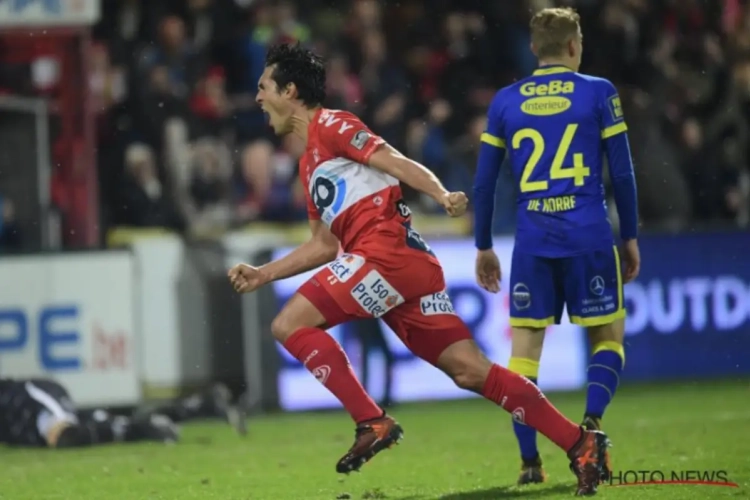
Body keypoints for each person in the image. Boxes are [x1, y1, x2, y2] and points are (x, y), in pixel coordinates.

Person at [228, 43, 609, 496]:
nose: (257, 98)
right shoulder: (309, 163)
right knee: (470, 370)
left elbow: (396, 161)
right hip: (397, 264)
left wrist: (441, 193)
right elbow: (324, 245)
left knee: (289, 323)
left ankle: (371, 420)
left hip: (385, 253)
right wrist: (264, 273)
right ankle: (581, 442)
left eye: (262, 87)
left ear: (289, 91)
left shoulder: (333, 124)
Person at [472, 7, 640, 487]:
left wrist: (484, 244)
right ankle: (591, 426)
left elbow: (484, 185)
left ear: (533, 50)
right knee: (608, 339)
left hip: (533, 244)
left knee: (523, 359)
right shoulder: (598, 91)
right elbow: (623, 174)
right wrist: (629, 236)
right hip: (589, 237)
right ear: (574, 46)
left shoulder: (506, 101)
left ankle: (530, 464)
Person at [0, 379, 246, 448]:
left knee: (64, 437)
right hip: (26, 422)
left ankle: (147, 429)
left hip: (28, 400)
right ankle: (202, 404)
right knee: (100, 421)